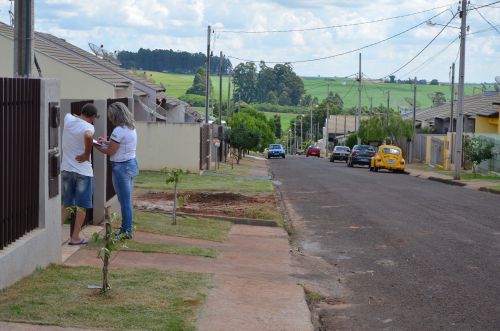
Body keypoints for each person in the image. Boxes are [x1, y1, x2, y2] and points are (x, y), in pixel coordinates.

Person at [95, 102, 138, 239]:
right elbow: (118, 145)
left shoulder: (118, 130)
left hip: (121, 168)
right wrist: (106, 142)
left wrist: (94, 145)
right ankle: (126, 229)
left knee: (124, 203)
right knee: (126, 201)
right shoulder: (131, 127)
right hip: (131, 164)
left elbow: (110, 151)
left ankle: (126, 232)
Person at [61, 103, 98, 245]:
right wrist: (86, 154)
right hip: (82, 172)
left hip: (66, 169)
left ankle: (53, 237)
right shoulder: (89, 127)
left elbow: (74, 116)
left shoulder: (68, 119)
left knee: (67, 204)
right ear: (93, 117)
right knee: (81, 205)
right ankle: (75, 237)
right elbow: (88, 136)